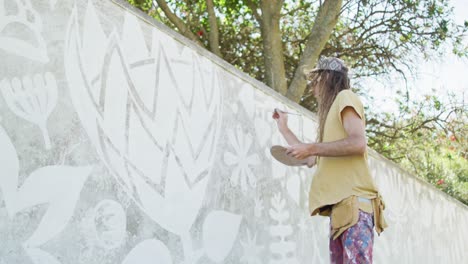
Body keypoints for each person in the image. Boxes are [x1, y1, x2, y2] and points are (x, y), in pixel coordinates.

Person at [272, 57, 387, 264]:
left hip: (355, 205)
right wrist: (284, 128)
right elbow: (309, 159)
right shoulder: (329, 124)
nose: (313, 88)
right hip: (340, 210)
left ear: (326, 78)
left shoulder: (345, 97)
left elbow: (358, 143)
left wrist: (311, 147)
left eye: (315, 81)